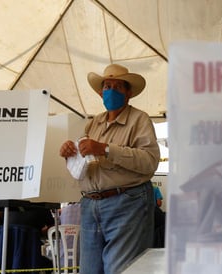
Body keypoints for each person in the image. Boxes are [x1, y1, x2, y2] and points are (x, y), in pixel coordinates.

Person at [60, 63, 160, 273]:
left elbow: (149, 161)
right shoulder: (94, 123)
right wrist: (71, 152)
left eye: (117, 86)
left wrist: (105, 149)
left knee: (119, 269)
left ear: (128, 93)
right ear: (100, 92)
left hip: (126, 202)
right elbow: (84, 158)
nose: (111, 91)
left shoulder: (139, 119)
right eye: (107, 86)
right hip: (90, 203)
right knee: (89, 270)